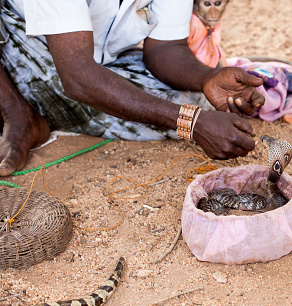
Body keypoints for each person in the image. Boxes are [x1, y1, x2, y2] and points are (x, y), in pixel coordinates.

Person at [0, 0, 265, 177]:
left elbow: (165, 47)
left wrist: (208, 78)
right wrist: (190, 122)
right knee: (192, 114)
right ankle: (17, 111)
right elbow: (77, 75)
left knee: (201, 101)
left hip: (99, 63)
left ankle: (51, 104)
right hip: (26, 49)